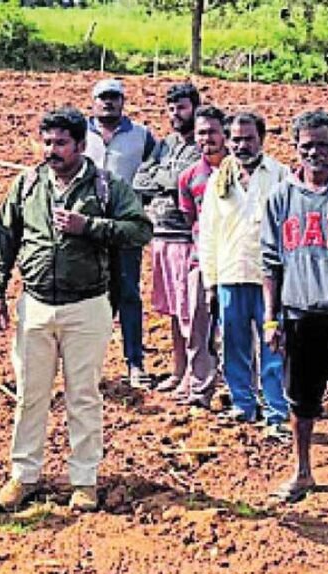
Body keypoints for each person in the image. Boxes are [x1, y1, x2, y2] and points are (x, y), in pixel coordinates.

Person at [0, 107, 152, 513]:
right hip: (36, 304)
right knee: (31, 394)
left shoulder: (105, 187)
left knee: (83, 396)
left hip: (88, 306)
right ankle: (24, 475)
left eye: (61, 143)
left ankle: (85, 481)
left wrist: (90, 226)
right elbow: (4, 237)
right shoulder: (27, 185)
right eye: (46, 142)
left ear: (81, 145)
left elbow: (140, 229)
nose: (52, 150)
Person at [261, 110, 328, 502]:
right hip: (299, 314)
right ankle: (303, 471)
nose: (315, 153)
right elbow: (270, 263)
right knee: (302, 399)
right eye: (307, 145)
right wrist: (270, 319)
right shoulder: (281, 197)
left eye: (323, 145)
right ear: (295, 148)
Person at [199, 112, 291, 436]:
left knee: (273, 347)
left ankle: (277, 412)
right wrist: (210, 283)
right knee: (234, 346)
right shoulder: (218, 180)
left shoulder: (281, 175)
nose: (241, 145)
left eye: (248, 139)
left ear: (261, 139)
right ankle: (243, 405)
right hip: (229, 273)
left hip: (269, 278)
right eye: (235, 139)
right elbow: (208, 233)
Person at [84, 78, 157, 388]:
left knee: (128, 292)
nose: (108, 103)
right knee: (90, 295)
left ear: (123, 101)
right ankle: (89, 364)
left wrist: (141, 207)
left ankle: (135, 362)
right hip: (86, 228)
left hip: (125, 227)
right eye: (103, 98)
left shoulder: (141, 136)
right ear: (93, 101)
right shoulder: (80, 133)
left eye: (114, 98)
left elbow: (154, 172)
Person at [133, 82, 203, 389]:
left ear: (195, 109)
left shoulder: (202, 144)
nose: (176, 114)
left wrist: (166, 179)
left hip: (185, 236)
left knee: (191, 310)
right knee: (174, 309)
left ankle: (195, 374)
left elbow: (181, 181)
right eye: (171, 108)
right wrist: (167, 180)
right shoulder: (165, 144)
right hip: (160, 234)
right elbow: (139, 179)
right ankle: (178, 370)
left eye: (182, 107)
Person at [162, 105, 225, 407]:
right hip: (203, 259)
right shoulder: (188, 177)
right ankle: (201, 389)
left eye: (213, 131)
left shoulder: (239, 171)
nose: (207, 138)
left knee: (242, 330)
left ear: (224, 134)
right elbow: (193, 221)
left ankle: (246, 392)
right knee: (198, 327)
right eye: (201, 132)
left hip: (239, 261)